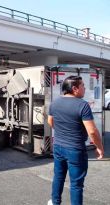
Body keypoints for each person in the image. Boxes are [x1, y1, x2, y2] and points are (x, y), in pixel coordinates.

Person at [47, 75, 104, 205]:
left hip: (58, 146)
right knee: (76, 184)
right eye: (82, 86)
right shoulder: (83, 105)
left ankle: (55, 202)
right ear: (75, 89)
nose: (84, 88)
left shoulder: (54, 103)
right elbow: (92, 131)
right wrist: (99, 147)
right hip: (75, 149)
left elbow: (50, 121)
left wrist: (63, 131)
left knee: (58, 177)